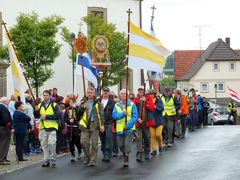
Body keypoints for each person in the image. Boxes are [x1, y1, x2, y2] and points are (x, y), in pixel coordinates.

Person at [79, 87, 105, 167]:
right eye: (88, 92)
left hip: (94, 124)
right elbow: (78, 113)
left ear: (94, 94)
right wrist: (83, 108)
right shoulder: (83, 102)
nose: (89, 94)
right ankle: (88, 157)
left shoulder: (98, 103)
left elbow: (101, 115)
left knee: (94, 143)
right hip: (85, 124)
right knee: (83, 142)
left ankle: (92, 160)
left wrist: (102, 125)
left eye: (91, 92)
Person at [112, 89, 138, 167]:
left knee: (127, 144)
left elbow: (135, 116)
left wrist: (128, 125)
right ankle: (124, 153)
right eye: (122, 94)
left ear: (127, 95)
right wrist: (122, 114)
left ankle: (126, 157)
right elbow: (114, 116)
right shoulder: (116, 105)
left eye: (124, 94)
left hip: (128, 128)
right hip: (119, 128)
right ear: (120, 95)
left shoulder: (132, 105)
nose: (123, 95)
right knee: (120, 145)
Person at [36, 90, 60, 167]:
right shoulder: (40, 105)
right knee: (44, 145)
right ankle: (46, 160)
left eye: (46, 95)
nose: (45, 96)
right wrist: (35, 111)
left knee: (52, 143)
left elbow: (57, 116)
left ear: (50, 96)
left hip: (52, 127)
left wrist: (46, 117)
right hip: (43, 127)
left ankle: (52, 159)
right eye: (44, 95)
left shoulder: (54, 105)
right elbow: (37, 116)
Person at [133, 86, 155, 161]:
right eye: (139, 90)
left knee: (147, 138)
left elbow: (152, 108)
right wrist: (137, 119)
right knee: (138, 138)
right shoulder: (135, 99)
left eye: (142, 90)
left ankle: (147, 152)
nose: (140, 91)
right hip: (138, 122)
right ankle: (139, 154)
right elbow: (134, 111)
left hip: (146, 122)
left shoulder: (148, 98)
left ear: (144, 91)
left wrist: (146, 101)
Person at [99, 87, 116, 162]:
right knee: (102, 139)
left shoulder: (112, 102)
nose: (105, 93)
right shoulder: (98, 101)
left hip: (109, 123)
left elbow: (114, 112)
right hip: (100, 123)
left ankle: (107, 154)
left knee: (108, 139)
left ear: (109, 93)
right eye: (104, 91)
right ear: (102, 92)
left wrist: (112, 120)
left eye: (106, 91)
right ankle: (104, 152)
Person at [64, 98, 82, 162]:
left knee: (77, 141)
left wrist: (75, 108)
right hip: (69, 127)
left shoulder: (78, 108)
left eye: (72, 102)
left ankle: (79, 151)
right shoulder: (67, 110)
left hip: (76, 127)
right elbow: (64, 118)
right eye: (70, 102)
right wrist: (69, 120)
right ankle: (72, 154)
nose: (71, 103)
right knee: (70, 141)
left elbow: (80, 115)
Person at [147, 89, 164, 155]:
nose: (151, 95)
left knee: (158, 134)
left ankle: (160, 146)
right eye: (150, 94)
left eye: (152, 94)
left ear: (154, 94)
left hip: (159, 121)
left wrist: (155, 107)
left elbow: (161, 109)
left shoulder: (158, 100)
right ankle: (154, 150)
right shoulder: (148, 101)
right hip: (151, 121)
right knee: (153, 136)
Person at [0, 97, 12, 165]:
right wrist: (10, 128)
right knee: (4, 143)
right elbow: (6, 119)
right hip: (3, 128)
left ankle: (2, 158)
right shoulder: (3, 107)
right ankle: (2, 159)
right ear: (5, 102)